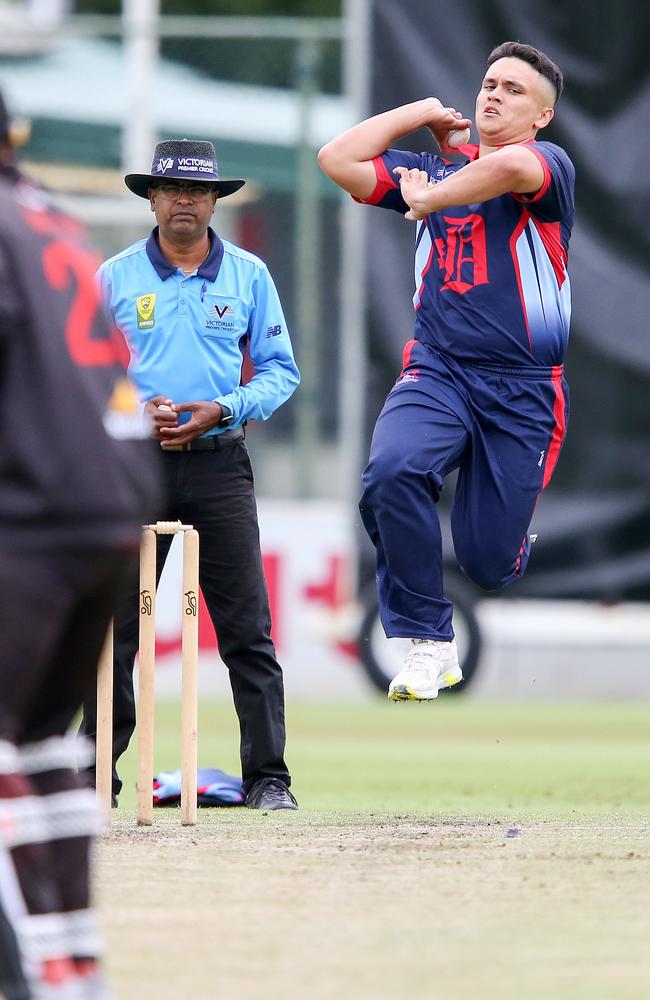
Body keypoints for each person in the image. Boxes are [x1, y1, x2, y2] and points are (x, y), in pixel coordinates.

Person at [318, 42, 574, 700]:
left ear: (542, 115)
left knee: (488, 562)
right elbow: (338, 160)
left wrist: (432, 195)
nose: (494, 95)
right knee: (392, 472)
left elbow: (510, 166)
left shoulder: (545, 165)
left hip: (523, 390)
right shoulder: (433, 168)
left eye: (515, 90)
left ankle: (510, 534)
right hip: (438, 368)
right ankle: (429, 641)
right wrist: (419, 111)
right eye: (489, 83)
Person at [80, 138, 301, 811]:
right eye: (173, 190)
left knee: (247, 631)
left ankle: (269, 779)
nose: (184, 202)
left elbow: (280, 372)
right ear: (151, 197)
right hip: (132, 467)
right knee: (113, 631)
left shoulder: (248, 276)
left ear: (214, 201)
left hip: (219, 463)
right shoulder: (114, 277)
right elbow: (81, 375)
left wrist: (224, 408)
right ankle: (96, 784)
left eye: (198, 192)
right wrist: (128, 410)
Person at [0, 88, 161, 999]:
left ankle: (28, 976)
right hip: (112, 505)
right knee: (41, 745)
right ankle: (71, 969)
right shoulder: (48, 214)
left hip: (33, 513)